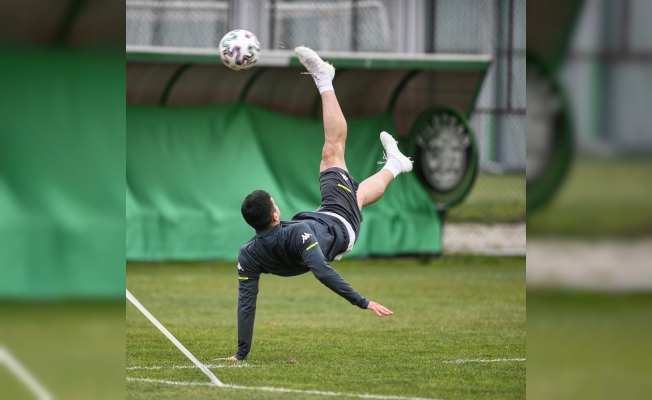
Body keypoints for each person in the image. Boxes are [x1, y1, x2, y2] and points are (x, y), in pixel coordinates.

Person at [216, 46, 413, 361]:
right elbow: (321, 271)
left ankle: (396, 164)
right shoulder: (298, 234)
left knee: (359, 194)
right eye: (274, 203)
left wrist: (241, 354)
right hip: (341, 227)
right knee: (332, 152)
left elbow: (247, 302)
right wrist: (362, 301)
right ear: (275, 214)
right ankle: (324, 79)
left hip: (326, 219)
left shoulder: (248, 253)